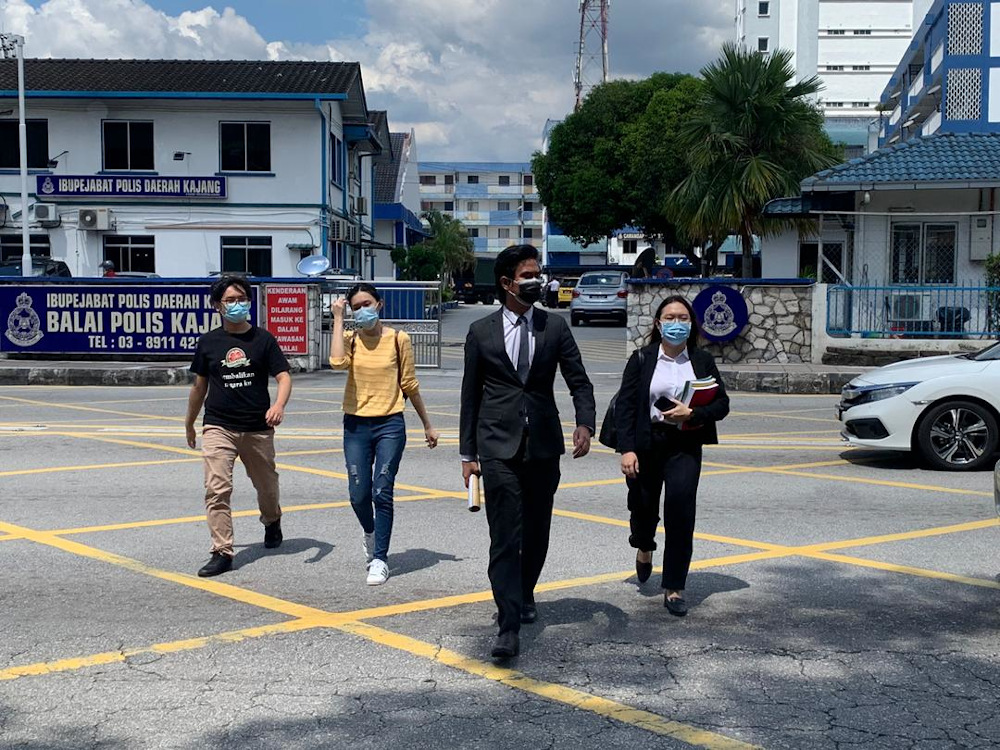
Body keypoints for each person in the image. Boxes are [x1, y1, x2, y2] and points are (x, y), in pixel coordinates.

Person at [460, 244, 596, 660]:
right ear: (507, 283)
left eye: (539, 274)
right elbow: (470, 396)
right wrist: (468, 454)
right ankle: (508, 624)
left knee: (536, 531)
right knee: (505, 536)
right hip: (497, 444)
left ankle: (526, 590)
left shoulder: (554, 327)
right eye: (529, 276)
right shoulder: (480, 331)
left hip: (542, 445)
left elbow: (579, 380)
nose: (537, 281)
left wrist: (584, 423)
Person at [614, 295, 729, 616]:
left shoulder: (702, 360)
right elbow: (625, 406)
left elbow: (722, 404)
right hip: (646, 442)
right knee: (643, 507)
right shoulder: (642, 358)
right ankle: (644, 545)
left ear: (691, 324)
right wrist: (627, 449)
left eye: (682, 318)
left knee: (681, 511)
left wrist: (693, 414)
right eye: (670, 317)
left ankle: (675, 586)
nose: (676, 323)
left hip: (685, 445)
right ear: (658, 323)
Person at [330, 283, 440, 586]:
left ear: (379, 304)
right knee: (358, 494)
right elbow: (337, 363)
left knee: (382, 491)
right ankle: (370, 531)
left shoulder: (398, 339)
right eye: (356, 306)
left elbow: (410, 384)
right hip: (355, 425)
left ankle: (379, 558)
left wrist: (427, 424)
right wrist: (338, 319)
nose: (362, 310)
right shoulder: (350, 340)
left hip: (390, 424)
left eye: (367, 303)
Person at [185, 275, 292, 577]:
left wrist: (278, 405)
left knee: (266, 486)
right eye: (230, 300)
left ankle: (272, 521)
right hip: (219, 425)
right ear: (217, 305)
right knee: (216, 489)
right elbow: (199, 387)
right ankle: (222, 551)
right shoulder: (208, 343)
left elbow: (283, 377)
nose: (237, 304)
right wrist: (190, 423)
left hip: (257, 427)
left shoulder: (263, 340)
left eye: (241, 299)